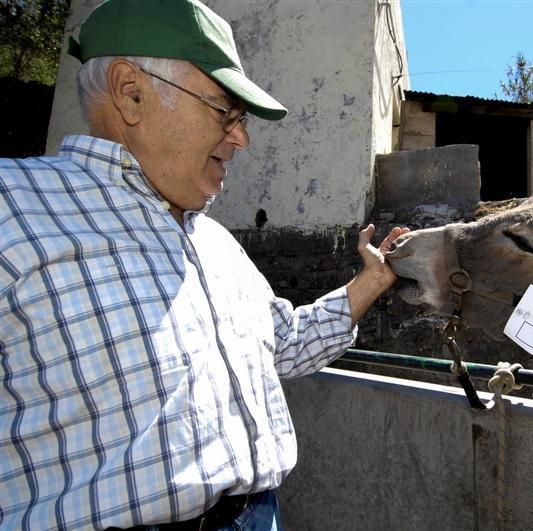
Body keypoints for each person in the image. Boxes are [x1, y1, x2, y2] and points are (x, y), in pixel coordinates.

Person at [0, 0, 408, 529]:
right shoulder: (13, 204)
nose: (242, 137)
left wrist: (372, 279)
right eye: (224, 110)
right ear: (131, 92)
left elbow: (284, 345)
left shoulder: (215, 241)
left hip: (260, 514)